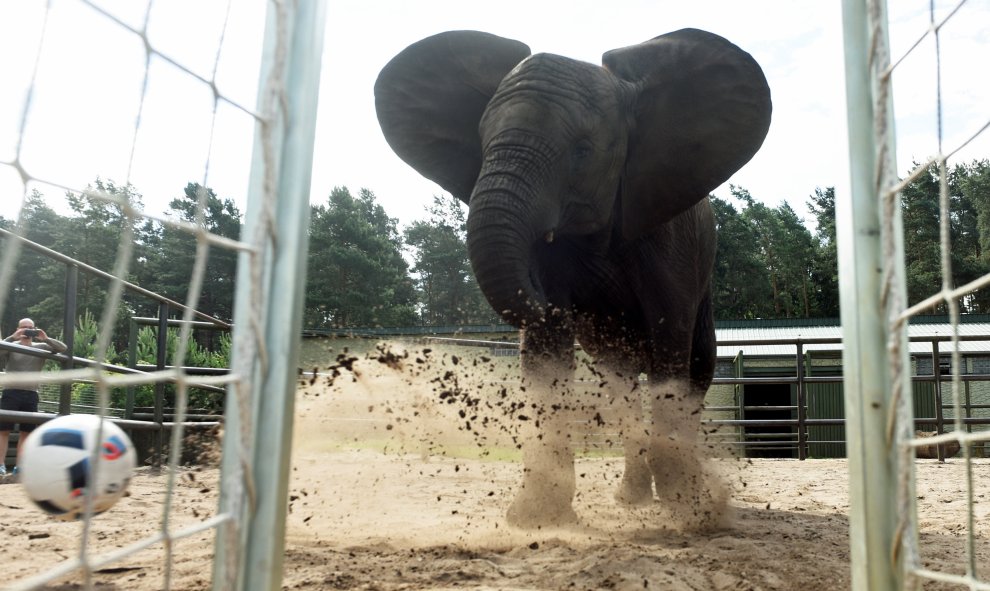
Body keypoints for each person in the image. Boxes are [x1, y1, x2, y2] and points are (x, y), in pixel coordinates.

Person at [0, 318, 67, 477]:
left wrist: (46, 338)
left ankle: (20, 468)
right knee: (3, 431)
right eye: (24, 328)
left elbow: (63, 348)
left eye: (30, 328)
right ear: (18, 329)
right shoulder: (10, 346)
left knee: (26, 433)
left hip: (31, 394)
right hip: (11, 392)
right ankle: (0, 465)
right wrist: (12, 338)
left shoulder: (42, 347)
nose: (27, 331)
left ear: (35, 330)